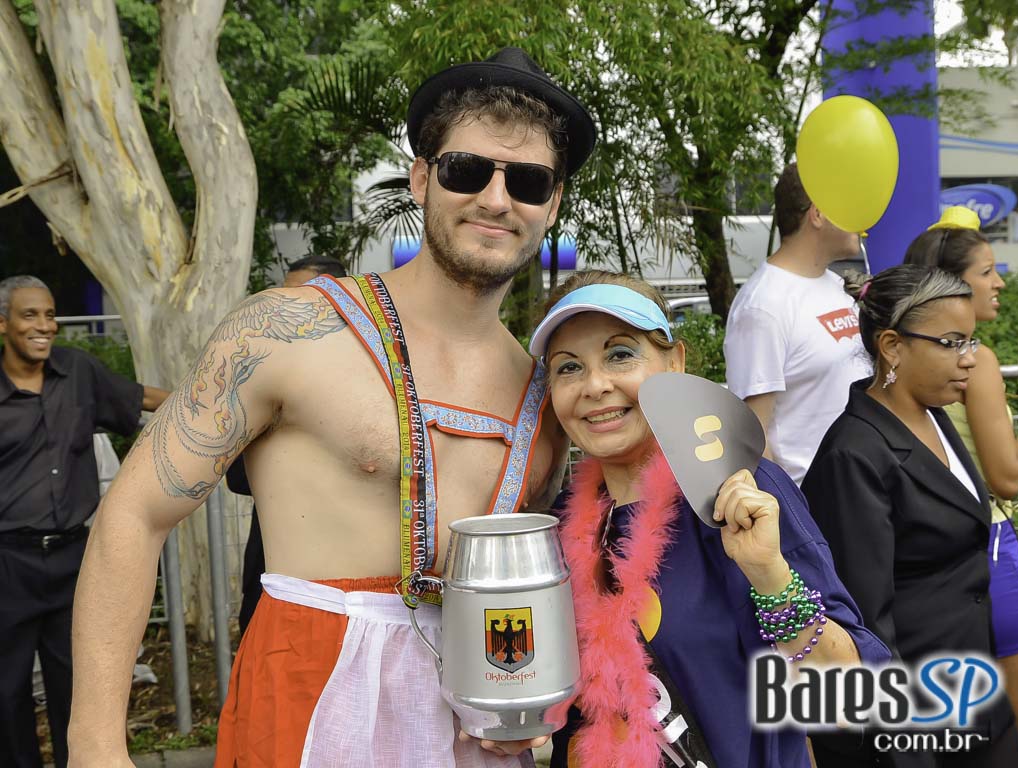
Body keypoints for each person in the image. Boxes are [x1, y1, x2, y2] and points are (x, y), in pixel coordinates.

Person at [68, 47, 595, 768]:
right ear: (420, 178)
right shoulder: (290, 331)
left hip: (473, 740)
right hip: (307, 710)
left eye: (529, 181)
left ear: (553, 202)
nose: (497, 201)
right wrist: (95, 743)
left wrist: (528, 701)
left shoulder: (549, 394)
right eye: (467, 171)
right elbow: (134, 513)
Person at [526, 270, 889, 768]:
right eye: (568, 368)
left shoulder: (735, 490)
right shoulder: (562, 528)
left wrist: (770, 576)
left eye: (620, 354)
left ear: (674, 363)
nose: (595, 385)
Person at [802, 264, 1018, 766]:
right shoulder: (852, 456)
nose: (970, 360)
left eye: (971, 342)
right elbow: (866, 622)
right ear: (892, 346)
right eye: (952, 342)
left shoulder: (935, 415)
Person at [0, 275, 168, 768]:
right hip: (7, 563)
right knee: (6, 693)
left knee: (77, 689)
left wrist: (222, 406)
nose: (45, 325)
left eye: (50, 315)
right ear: (3, 322)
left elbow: (142, 398)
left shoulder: (77, 371)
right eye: (31, 315)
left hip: (76, 560)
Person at [903, 206, 1018, 746]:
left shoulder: (909, 359)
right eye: (986, 271)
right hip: (990, 551)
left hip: (936, 563)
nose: (998, 282)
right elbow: (1008, 477)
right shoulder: (979, 358)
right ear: (955, 285)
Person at [724, 163, 872, 484]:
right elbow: (752, 436)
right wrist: (793, 520)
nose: (861, 220)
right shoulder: (763, 306)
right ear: (817, 214)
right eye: (849, 207)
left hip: (861, 489)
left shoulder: (836, 286)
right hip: (813, 505)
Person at [226, 255, 348, 636]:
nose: (285, 308)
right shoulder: (262, 375)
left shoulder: (372, 381)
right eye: (282, 296)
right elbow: (236, 476)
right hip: (272, 578)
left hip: (345, 587)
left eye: (300, 298)